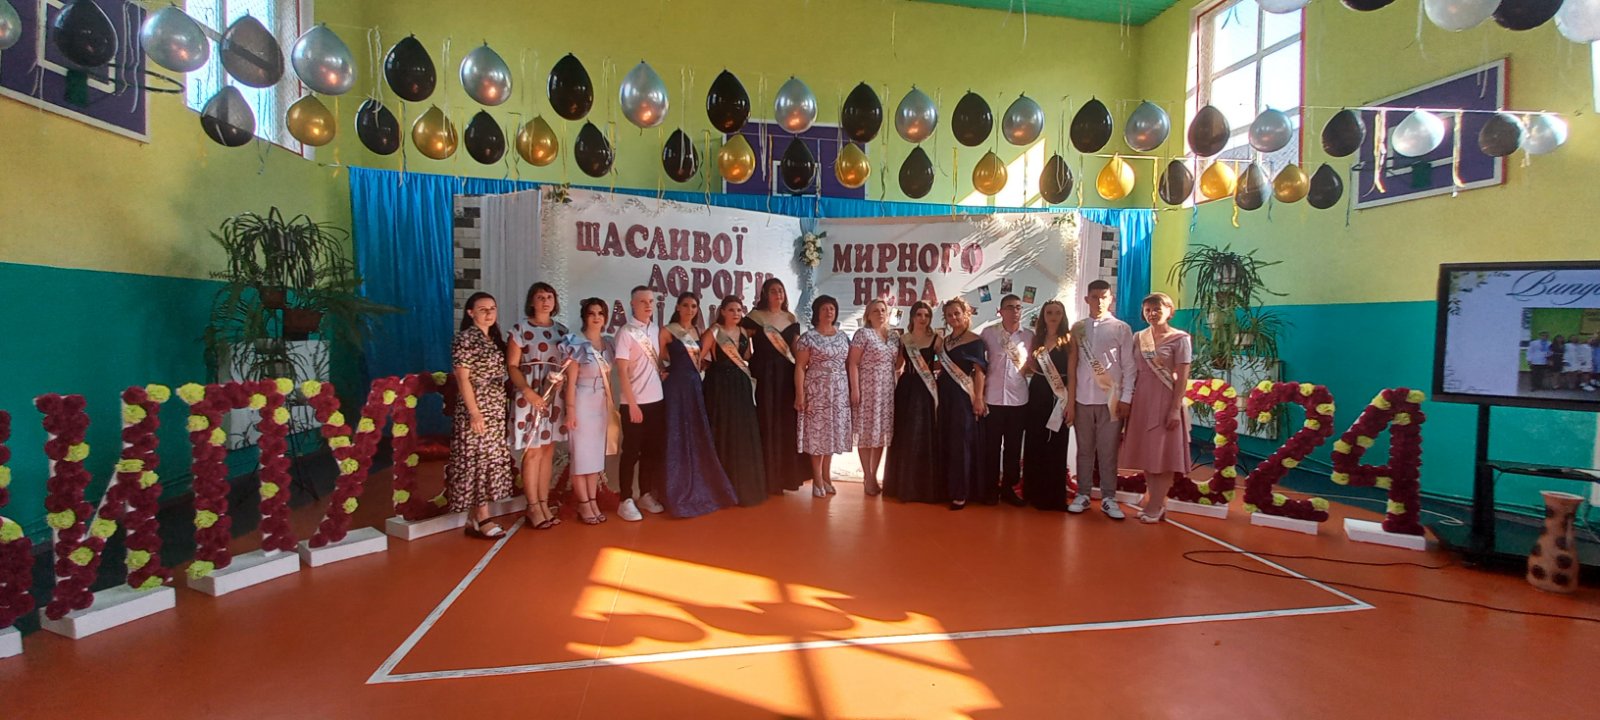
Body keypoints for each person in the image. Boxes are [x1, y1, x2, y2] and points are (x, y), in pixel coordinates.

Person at [657, 293, 739, 518]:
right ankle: (672, 490)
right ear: (678, 307)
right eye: (686, 305)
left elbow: (702, 360)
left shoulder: (698, 332)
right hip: (675, 386)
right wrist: (663, 371)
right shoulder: (667, 331)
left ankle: (701, 484)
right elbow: (659, 358)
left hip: (694, 386)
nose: (690, 309)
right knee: (675, 434)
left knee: (695, 433)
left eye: (694, 306)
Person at [1119, 293, 1192, 524]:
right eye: (1148, 310)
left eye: (1157, 309)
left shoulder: (1180, 339)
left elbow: (1182, 377)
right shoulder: (1139, 337)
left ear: (1169, 311)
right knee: (1148, 454)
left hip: (1165, 399)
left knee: (1162, 454)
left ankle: (1156, 504)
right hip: (1142, 399)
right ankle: (1156, 502)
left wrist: (1175, 408)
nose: (1152, 313)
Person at [1067, 279, 1136, 520]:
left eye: (1103, 297)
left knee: (1108, 452)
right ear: (1087, 299)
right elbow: (1073, 365)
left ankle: (1109, 498)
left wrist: (1126, 398)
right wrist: (1071, 400)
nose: (1099, 301)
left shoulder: (1121, 328)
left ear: (1111, 299)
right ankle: (1083, 494)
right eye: (1094, 297)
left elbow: (1129, 366)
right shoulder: (1078, 328)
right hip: (1082, 400)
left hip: (1111, 401)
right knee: (1084, 451)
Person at [448, 292, 515, 539]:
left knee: (490, 459)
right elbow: (462, 378)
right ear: (470, 312)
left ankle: (473, 519)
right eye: (483, 309)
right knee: (477, 460)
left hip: (495, 407)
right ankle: (482, 517)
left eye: (492, 308)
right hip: (477, 406)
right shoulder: (465, 339)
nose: (488, 313)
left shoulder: (494, 339)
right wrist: (474, 412)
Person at [506, 282, 568, 530]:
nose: (545, 301)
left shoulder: (562, 331)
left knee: (548, 450)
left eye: (549, 297)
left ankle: (544, 502)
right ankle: (532, 507)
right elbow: (512, 366)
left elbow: (566, 365)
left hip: (553, 395)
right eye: (540, 297)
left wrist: (560, 382)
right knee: (532, 452)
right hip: (529, 393)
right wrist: (527, 391)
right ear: (532, 301)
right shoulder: (520, 329)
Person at [742, 278, 808, 494]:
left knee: (784, 423)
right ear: (765, 294)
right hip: (764, 376)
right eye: (773, 291)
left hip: (786, 376)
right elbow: (740, 344)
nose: (778, 294)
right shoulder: (754, 318)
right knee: (766, 421)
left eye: (781, 290)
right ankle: (765, 479)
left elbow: (796, 350)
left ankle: (784, 477)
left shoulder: (790, 318)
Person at [701, 295, 768, 506]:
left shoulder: (743, 333)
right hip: (719, 386)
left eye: (739, 310)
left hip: (740, 387)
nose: (736, 314)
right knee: (722, 430)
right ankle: (720, 488)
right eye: (731, 310)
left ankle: (743, 486)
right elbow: (699, 357)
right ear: (722, 311)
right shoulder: (713, 332)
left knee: (741, 433)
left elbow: (746, 356)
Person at [614, 286, 668, 522]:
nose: (648, 305)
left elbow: (654, 362)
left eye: (651, 301)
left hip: (657, 401)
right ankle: (625, 499)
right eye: (643, 301)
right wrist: (632, 404)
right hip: (634, 403)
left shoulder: (655, 329)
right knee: (631, 452)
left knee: (651, 451)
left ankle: (645, 493)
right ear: (632, 304)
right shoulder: (626, 332)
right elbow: (622, 371)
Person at [562, 298, 616, 525]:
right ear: (585, 316)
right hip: (581, 400)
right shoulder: (576, 343)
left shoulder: (608, 344)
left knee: (594, 456)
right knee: (581, 456)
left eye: (600, 313)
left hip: (601, 402)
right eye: (592, 313)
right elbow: (570, 382)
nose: (596, 317)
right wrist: (571, 411)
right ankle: (583, 504)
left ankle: (593, 500)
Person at [883, 301, 944, 504]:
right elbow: (898, 364)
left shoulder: (936, 339)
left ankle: (922, 488)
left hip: (925, 390)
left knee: (923, 434)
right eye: (919, 314)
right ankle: (902, 486)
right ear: (912, 317)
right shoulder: (904, 339)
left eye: (926, 315)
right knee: (905, 434)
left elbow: (943, 363)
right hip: (906, 388)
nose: (923, 318)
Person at [795, 295, 853, 497]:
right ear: (817, 313)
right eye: (824, 309)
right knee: (817, 434)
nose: (829, 312)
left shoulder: (843, 336)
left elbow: (849, 363)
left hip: (839, 390)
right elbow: (800, 367)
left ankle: (827, 476)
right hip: (817, 389)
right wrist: (800, 394)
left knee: (832, 434)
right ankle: (817, 478)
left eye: (832, 309)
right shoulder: (808, 338)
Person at [979, 295, 1034, 506]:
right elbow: (979, 365)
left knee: (1013, 448)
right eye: (1010, 308)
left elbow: (1033, 366)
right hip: (992, 399)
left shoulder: (1029, 336)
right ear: (1000, 311)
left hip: (1018, 401)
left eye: (1018, 307)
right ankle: (990, 489)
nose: (1015, 312)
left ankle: (1009, 489)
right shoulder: (988, 334)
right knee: (991, 448)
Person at [936, 298, 988, 510]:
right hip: (944, 395)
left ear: (966, 314)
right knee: (946, 441)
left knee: (961, 444)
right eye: (949, 315)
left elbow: (980, 373)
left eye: (957, 313)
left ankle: (961, 492)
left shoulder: (975, 341)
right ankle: (946, 489)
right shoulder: (945, 341)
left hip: (962, 398)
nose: (953, 317)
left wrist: (979, 398)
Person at [1022, 300, 1073, 511]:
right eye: (1049, 312)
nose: (1053, 316)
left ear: (1063, 316)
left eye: (1057, 312)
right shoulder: (1037, 339)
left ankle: (1053, 497)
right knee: (1035, 441)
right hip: (1038, 393)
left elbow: (1073, 374)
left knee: (1056, 444)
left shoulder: (1069, 340)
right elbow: (1030, 367)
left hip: (1060, 395)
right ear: (1043, 316)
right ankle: (1033, 493)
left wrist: (1071, 403)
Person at [848, 299, 898, 497]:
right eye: (875, 311)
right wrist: (855, 389)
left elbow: (898, 363)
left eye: (883, 310)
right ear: (868, 315)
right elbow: (853, 363)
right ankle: (867, 476)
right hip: (867, 388)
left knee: (880, 435)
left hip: (886, 391)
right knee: (866, 434)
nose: (880, 313)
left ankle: (874, 475)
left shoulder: (893, 336)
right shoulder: (863, 334)